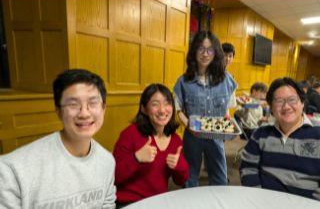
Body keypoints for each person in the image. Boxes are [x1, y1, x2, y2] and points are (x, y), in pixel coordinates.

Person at [0, 69, 116, 208]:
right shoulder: (12, 170)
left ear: (103, 108)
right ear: (58, 111)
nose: (84, 113)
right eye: (73, 104)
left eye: (93, 103)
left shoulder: (107, 161)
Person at [240, 77, 320, 207]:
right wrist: (258, 200)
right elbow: (248, 169)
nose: (286, 106)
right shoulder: (260, 135)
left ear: (302, 103)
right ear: (271, 107)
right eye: (278, 101)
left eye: (292, 100)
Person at [172, 30, 237, 187]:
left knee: (220, 180)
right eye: (201, 48)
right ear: (194, 51)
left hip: (216, 137)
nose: (205, 54)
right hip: (192, 136)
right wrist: (189, 125)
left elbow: (228, 109)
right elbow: (178, 110)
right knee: (190, 178)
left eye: (210, 49)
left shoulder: (227, 79)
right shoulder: (183, 81)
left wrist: (229, 127)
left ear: (216, 52)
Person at [112, 83, 189, 205]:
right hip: (128, 202)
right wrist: (136, 158)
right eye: (155, 104)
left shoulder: (175, 140)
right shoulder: (130, 133)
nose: (162, 110)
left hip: (157, 202)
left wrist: (179, 165)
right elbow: (113, 177)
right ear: (144, 109)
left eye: (167, 103)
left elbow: (180, 180)